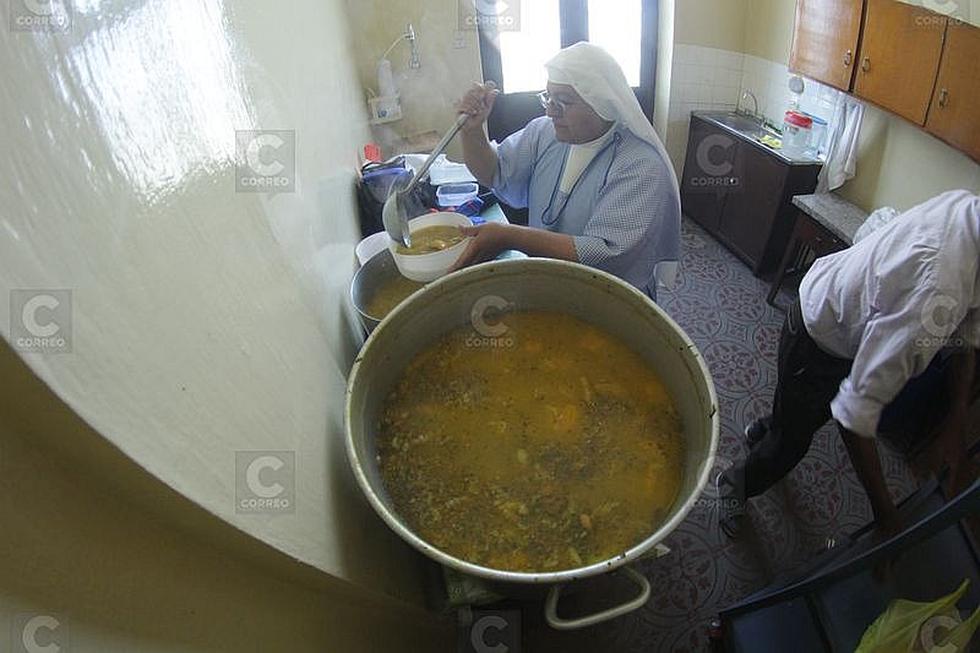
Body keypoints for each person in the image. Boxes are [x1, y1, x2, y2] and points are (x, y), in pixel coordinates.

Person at [718, 189, 980, 539]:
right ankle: (735, 482)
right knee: (791, 445)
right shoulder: (935, 294)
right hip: (818, 335)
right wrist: (886, 517)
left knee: (801, 411)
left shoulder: (968, 207)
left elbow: (968, 335)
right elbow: (855, 415)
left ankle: (770, 427)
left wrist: (958, 413)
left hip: (840, 318)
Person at [451, 43, 680, 301]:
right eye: (548, 97)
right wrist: (472, 132)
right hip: (552, 281)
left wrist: (510, 236)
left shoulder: (640, 164)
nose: (550, 111)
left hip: (611, 299)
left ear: (601, 103)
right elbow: (495, 173)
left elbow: (605, 256)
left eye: (563, 102)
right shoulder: (544, 132)